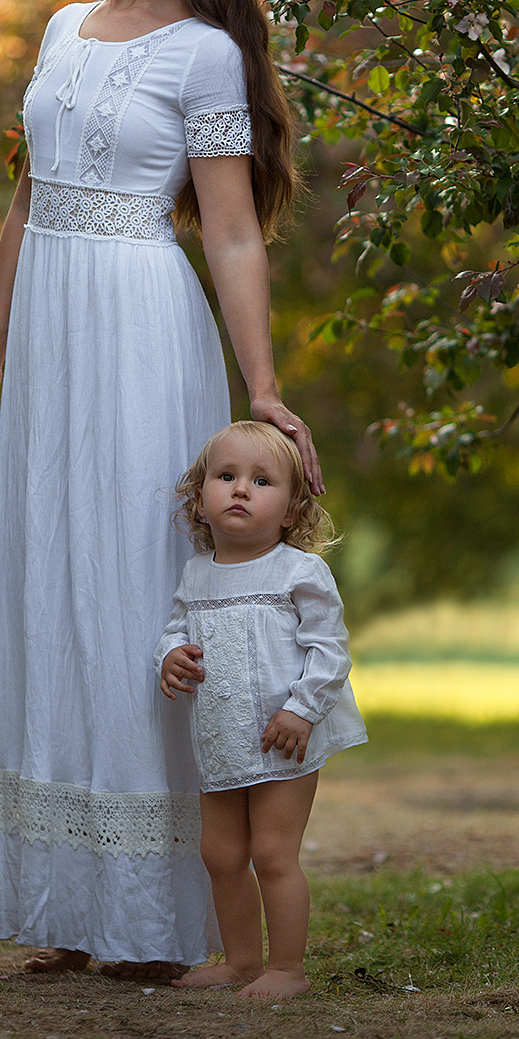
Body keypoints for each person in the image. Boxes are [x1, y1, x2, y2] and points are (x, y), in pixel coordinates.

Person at [0, 0, 323, 982]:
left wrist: (260, 389)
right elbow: (24, 203)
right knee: (46, 587)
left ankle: (158, 920)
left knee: (130, 592)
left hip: (141, 329)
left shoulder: (205, 53)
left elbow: (229, 231)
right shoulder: (60, 29)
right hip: (50, 334)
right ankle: (68, 903)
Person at [157, 421, 366, 999]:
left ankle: (287, 970)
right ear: (198, 498)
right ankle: (242, 961)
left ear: (293, 508)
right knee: (220, 853)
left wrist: (302, 710)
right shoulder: (198, 573)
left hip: (284, 739)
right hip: (221, 735)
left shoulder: (299, 571)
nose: (241, 489)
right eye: (226, 477)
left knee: (273, 852)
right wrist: (171, 655)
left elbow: (330, 651)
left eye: (261, 480)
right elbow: (177, 627)